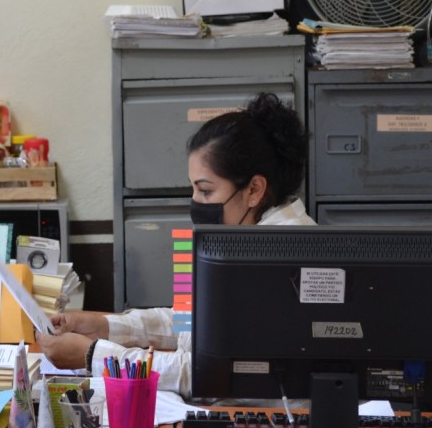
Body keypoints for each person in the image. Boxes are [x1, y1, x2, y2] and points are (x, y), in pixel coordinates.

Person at [36, 92, 315, 397]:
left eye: (206, 191)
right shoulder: (243, 237)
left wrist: (93, 356)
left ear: (254, 189)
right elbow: (188, 322)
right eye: (193, 189)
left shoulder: (277, 258)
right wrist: (103, 325)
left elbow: (202, 372)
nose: (195, 203)